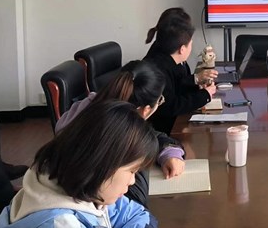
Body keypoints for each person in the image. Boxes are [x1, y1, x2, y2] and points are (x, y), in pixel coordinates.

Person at [0, 101, 187, 228]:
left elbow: (133, 213)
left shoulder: (83, 187)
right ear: (102, 163)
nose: (133, 181)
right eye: (132, 171)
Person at [55, 60, 186, 207]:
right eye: (160, 100)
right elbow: (135, 202)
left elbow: (152, 135)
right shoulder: (115, 143)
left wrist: (168, 150)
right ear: (146, 110)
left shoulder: (92, 109)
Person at [144, 11, 217, 134]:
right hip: (165, 131)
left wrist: (196, 82)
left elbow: (177, 84)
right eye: (190, 43)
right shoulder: (157, 69)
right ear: (182, 49)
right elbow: (170, 106)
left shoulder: (167, 51)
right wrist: (205, 95)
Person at [145, 7, 218, 85]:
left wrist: (196, 79)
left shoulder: (165, 46)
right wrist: (204, 91)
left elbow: (180, 83)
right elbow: (175, 91)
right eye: (190, 42)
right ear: (182, 49)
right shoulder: (158, 74)